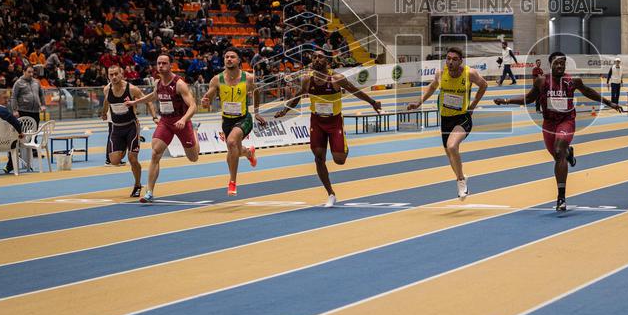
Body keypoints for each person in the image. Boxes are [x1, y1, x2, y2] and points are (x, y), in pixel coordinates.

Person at [495, 52, 623, 211]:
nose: (560, 66)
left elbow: (588, 92)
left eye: (562, 63)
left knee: (558, 149)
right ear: (550, 65)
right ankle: (568, 153)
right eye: (556, 63)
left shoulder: (572, 81)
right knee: (557, 155)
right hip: (549, 123)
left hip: (566, 121)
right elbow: (528, 99)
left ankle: (561, 197)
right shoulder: (542, 81)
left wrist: (609, 102)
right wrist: (506, 101)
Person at [275, 48, 381, 206]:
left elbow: (355, 91)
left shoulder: (336, 78)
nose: (316, 60)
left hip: (334, 121)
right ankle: (330, 193)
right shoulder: (306, 80)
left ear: (327, 61)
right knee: (318, 158)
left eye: (320, 57)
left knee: (339, 160)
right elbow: (296, 97)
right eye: (314, 58)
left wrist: (372, 102)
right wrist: (285, 110)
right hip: (317, 121)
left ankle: (341, 144)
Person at [407, 46, 488, 200]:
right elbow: (431, 88)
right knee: (450, 154)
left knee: (452, 146)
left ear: (460, 61)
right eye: (448, 59)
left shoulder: (469, 73)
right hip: (445, 119)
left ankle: (461, 182)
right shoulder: (440, 73)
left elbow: (484, 85)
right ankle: (461, 176)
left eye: (454, 59)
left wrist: (473, 106)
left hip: (462, 118)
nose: (450, 62)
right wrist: (417, 103)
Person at [125, 53, 199, 203]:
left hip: (181, 122)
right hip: (165, 122)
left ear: (170, 65)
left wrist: (185, 120)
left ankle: (195, 132)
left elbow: (193, 105)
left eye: (164, 63)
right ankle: (149, 192)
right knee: (155, 153)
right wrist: (135, 102)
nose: (161, 66)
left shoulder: (179, 84)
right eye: (159, 63)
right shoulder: (158, 83)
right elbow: (153, 96)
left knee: (193, 157)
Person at [200, 48, 265, 196]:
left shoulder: (248, 78)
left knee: (231, 143)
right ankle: (249, 153)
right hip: (227, 121)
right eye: (227, 57)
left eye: (232, 57)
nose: (229, 59)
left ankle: (232, 182)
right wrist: (205, 102)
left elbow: (257, 92)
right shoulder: (217, 79)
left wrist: (257, 112)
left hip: (244, 119)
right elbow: (208, 98)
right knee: (235, 149)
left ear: (239, 60)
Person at [100, 65, 155, 198]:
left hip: (131, 126)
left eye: (116, 74)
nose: (113, 77)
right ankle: (124, 145)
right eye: (110, 74)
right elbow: (106, 102)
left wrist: (154, 116)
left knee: (132, 159)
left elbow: (148, 101)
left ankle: (137, 184)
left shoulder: (131, 89)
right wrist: (103, 113)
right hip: (116, 127)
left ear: (122, 74)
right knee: (114, 161)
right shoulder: (107, 89)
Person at [0, 89, 24, 174]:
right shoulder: (1, 110)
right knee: (17, 140)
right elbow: (16, 122)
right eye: (5, 98)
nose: (7, 100)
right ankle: (11, 166)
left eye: (8, 98)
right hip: (3, 143)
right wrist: (20, 132)